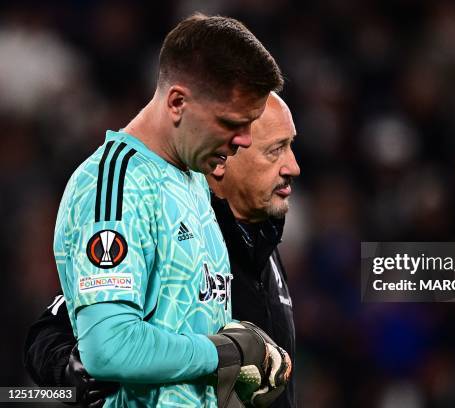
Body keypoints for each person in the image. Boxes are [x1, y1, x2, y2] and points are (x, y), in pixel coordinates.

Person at [44, 12, 290, 408]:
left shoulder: (192, 178)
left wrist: (240, 361)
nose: (243, 140)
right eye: (231, 123)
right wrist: (226, 353)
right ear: (177, 102)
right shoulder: (118, 184)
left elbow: (184, 323)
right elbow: (109, 348)